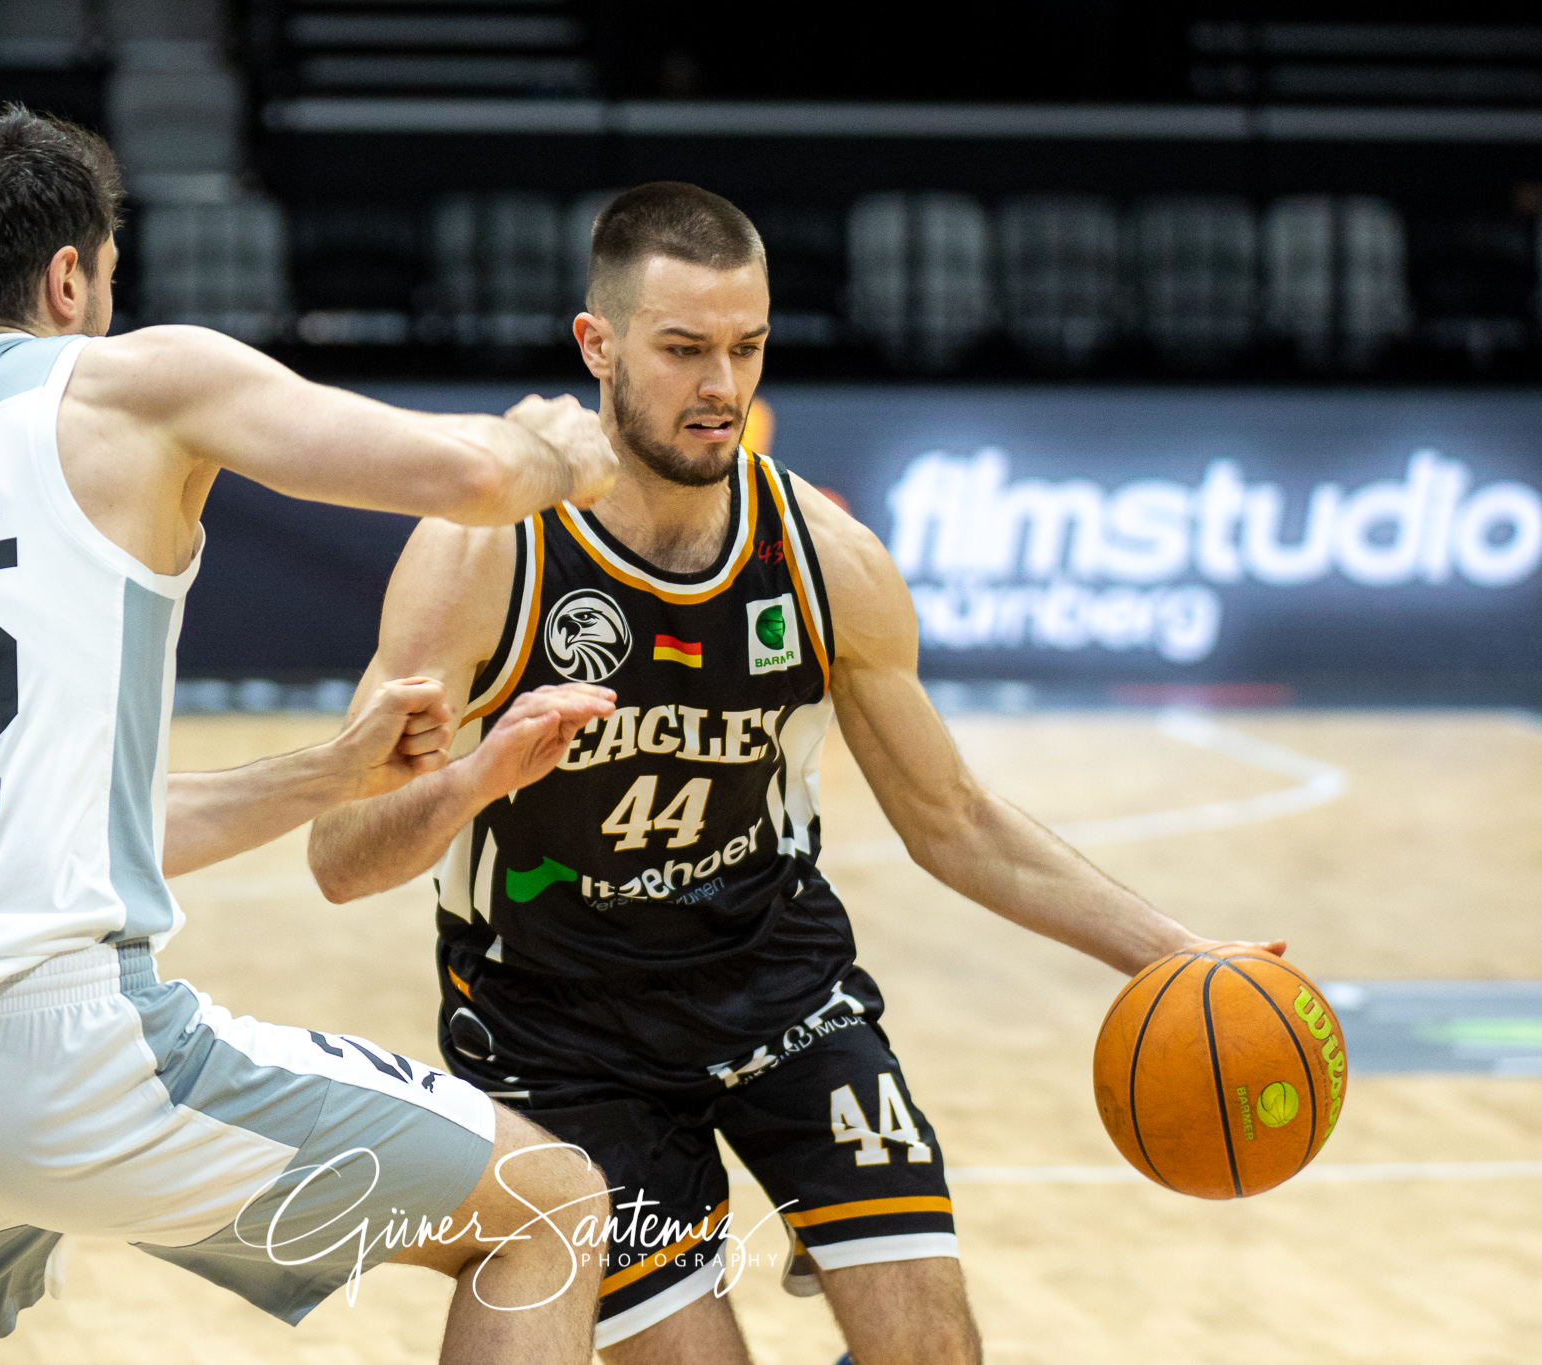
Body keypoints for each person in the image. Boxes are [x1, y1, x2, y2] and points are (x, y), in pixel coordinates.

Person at [306, 182, 1284, 1364]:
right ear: (595, 345)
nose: (719, 386)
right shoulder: (482, 556)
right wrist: (473, 780)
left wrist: (1179, 953)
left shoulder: (827, 560)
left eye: (745, 346)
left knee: (931, 1347)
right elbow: (337, 857)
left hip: (780, 996)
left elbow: (953, 820)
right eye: (681, 350)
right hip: (556, 1034)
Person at [0, 108, 618, 1365]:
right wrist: (552, 448)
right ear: (70, 276)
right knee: (552, 1211)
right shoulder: (129, 382)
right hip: (59, 1049)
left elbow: (53, 833)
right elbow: (469, 480)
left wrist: (328, 774)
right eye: (110, 273)